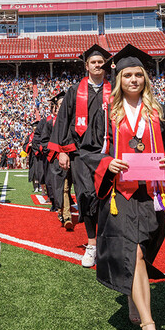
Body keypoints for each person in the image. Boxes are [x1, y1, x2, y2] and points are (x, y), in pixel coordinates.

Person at [78, 44, 165, 330]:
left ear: (146, 78)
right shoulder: (106, 115)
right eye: (128, 74)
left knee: (142, 252)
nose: (134, 79)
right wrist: (105, 165)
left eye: (139, 74)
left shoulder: (161, 113)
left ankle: (132, 296)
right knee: (135, 253)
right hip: (119, 197)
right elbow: (87, 150)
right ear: (119, 78)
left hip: (153, 197)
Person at [51, 45, 111, 266]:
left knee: (106, 197)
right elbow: (63, 121)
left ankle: (106, 243)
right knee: (85, 196)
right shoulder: (75, 91)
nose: (97, 65)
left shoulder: (113, 90)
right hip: (80, 153)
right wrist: (62, 151)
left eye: (100, 62)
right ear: (86, 66)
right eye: (93, 62)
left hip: (107, 152)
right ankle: (92, 244)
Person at [39, 92, 69, 224]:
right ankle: (64, 213)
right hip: (56, 159)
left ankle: (65, 213)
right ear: (56, 107)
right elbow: (44, 142)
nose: (62, 107)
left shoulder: (72, 121)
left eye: (64, 104)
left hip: (71, 158)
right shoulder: (50, 123)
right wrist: (56, 153)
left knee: (67, 187)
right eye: (60, 104)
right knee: (61, 188)